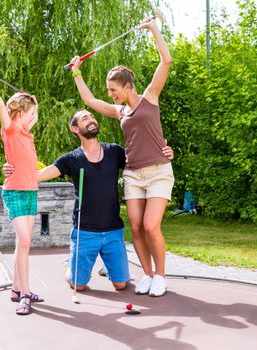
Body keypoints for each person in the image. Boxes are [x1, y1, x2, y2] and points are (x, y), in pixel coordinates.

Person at [4, 109, 173, 292]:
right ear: (75, 129)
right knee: (79, 285)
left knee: (121, 285)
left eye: (92, 116)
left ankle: (107, 266)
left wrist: (164, 153)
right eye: (85, 118)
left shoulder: (114, 151)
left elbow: (142, 161)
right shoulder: (71, 159)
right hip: (84, 232)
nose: (91, 119)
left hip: (113, 231)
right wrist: (14, 170)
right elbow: (40, 175)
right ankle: (70, 266)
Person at [69, 15, 173, 296]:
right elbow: (90, 101)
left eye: (113, 90)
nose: (110, 94)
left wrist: (153, 29)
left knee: (152, 226)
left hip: (158, 171)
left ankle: (161, 275)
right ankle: (148, 276)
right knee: (137, 228)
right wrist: (77, 71)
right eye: (108, 91)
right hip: (133, 174)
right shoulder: (120, 111)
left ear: (127, 86)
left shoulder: (150, 97)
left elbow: (166, 62)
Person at [0, 64, 43, 315]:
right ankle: (25, 294)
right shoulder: (11, 129)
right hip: (14, 192)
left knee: (22, 244)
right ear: (19, 112)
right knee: (24, 241)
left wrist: (32, 101)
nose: (35, 117)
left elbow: (30, 111)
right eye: (31, 113)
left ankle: (16, 289)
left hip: (31, 192)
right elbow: (1, 105)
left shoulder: (28, 135)